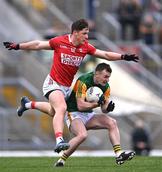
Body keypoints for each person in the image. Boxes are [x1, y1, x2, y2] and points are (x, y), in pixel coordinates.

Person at [3, 19, 139, 153]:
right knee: (61, 108)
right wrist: (18, 46)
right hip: (53, 83)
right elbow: (38, 44)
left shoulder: (85, 47)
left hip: (67, 87)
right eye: (84, 33)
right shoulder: (59, 41)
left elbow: (105, 54)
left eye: (87, 33)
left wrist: (123, 57)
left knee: (54, 111)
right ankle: (59, 140)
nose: (87, 37)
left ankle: (27, 104)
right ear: (75, 32)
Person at [16, 63, 135, 166]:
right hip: (73, 113)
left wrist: (107, 107)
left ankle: (119, 154)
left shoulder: (106, 87)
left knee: (112, 122)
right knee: (82, 134)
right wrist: (97, 105)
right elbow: (80, 106)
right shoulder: (83, 81)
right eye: (105, 76)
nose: (107, 79)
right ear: (96, 74)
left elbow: (103, 108)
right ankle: (62, 159)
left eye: (109, 77)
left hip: (89, 114)